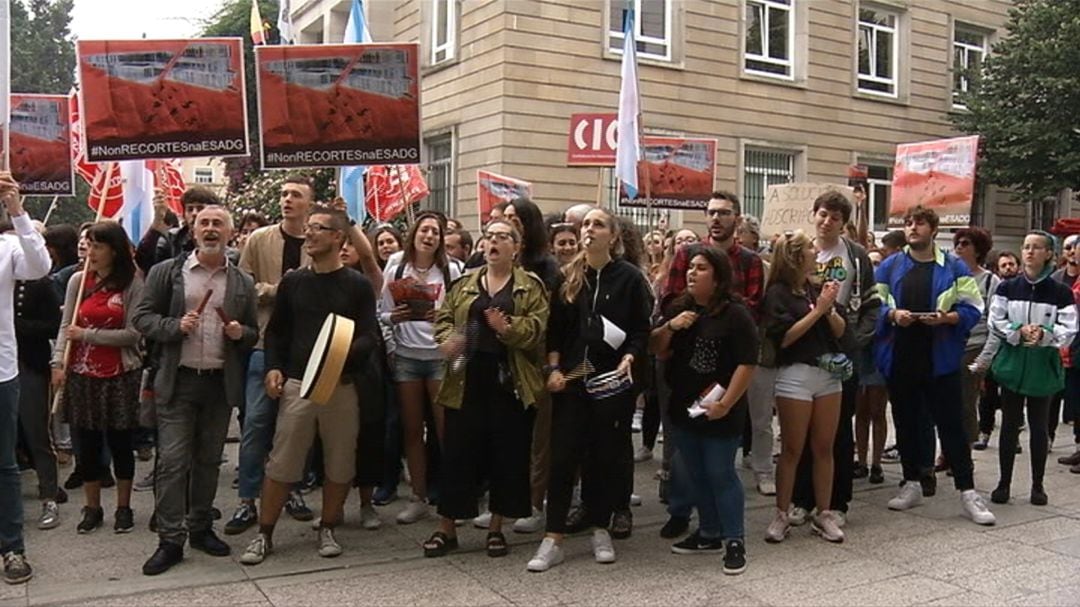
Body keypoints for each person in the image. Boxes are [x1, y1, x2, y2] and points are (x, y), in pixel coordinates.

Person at [240, 206, 379, 565]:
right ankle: (264, 534)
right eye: (308, 228)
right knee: (282, 463)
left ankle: (329, 527)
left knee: (340, 463)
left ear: (338, 238)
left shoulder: (358, 285)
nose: (309, 234)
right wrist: (273, 368)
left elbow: (369, 336)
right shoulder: (293, 282)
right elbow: (278, 332)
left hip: (342, 386)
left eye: (318, 228)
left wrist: (340, 351)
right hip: (298, 385)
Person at [135, 206, 259, 575]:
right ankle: (170, 540)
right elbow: (141, 317)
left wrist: (241, 334)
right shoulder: (166, 272)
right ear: (192, 228)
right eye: (203, 222)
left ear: (231, 232)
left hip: (220, 383)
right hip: (179, 380)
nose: (209, 229)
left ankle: (201, 526)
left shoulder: (242, 282)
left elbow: (252, 332)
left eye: (217, 223)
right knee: (173, 461)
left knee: (208, 460)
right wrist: (174, 326)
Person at [527, 207, 651, 572]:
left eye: (598, 225)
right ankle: (553, 538)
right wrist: (552, 368)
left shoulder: (629, 278)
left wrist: (630, 356)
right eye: (586, 225)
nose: (589, 230)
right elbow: (556, 333)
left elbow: (640, 331)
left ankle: (600, 527)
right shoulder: (568, 277)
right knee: (564, 457)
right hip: (571, 382)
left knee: (604, 456)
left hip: (611, 383)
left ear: (612, 236)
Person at [423, 219, 549, 558]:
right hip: (467, 378)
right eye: (489, 236)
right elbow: (444, 318)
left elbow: (538, 329)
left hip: (510, 380)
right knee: (459, 453)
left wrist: (507, 328)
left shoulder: (530, 286)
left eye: (502, 237)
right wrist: (449, 340)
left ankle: (496, 528)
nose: (493, 242)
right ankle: (447, 528)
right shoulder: (465, 282)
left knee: (507, 455)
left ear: (516, 247)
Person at [875, 205, 995, 526]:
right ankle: (911, 482)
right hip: (900, 358)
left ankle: (967, 491)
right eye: (909, 223)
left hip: (940, 359)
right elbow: (873, 305)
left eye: (920, 223)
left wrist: (947, 318)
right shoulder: (890, 266)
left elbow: (972, 307)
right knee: (906, 423)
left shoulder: (954, 266)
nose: (913, 228)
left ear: (933, 229)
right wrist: (891, 315)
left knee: (951, 425)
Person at [650, 245, 757, 575]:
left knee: (720, 472)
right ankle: (709, 531)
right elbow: (656, 348)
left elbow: (747, 362)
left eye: (701, 268)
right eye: (690, 268)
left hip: (720, 407)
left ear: (719, 276)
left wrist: (726, 404)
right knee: (695, 472)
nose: (692, 274)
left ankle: (733, 539)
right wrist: (671, 326)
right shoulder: (681, 308)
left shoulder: (735, 313)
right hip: (684, 406)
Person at [227, 176, 320, 534]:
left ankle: (293, 491)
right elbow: (243, 287)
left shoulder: (319, 241)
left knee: (298, 428)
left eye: (295, 195)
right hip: (264, 346)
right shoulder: (259, 239)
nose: (287, 200)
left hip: (307, 349)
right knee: (255, 425)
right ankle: (247, 499)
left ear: (309, 204)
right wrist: (280, 290)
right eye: (283, 194)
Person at [791, 191, 880, 528]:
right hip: (805, 351)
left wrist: (856, 340)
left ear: (844, 224)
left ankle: (838, 501)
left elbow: (872, 304)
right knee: (800, 429)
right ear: (813, 214)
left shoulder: (856, 257)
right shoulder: (801, 251)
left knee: (839, 431)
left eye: (835, 218)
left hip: (842, 351)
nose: (827, 222)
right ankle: (802, 499)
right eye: (823, 214)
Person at [51, 222, 144, 535]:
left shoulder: (132, 283)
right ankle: (92, 507)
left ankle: (123, 507)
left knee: (120, 443)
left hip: (120, 375)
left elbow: (133, 334)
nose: (90, 252)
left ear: (113, 250)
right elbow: (67, 326)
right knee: (86, 445)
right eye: (87, 245)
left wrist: (89, 334)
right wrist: (57, 362)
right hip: (81, 375)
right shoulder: (78, 281)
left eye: (97, 246)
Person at [761, 231, 847, 544]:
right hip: (795, 374)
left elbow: (839, 330)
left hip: (828, 374)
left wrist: (830, 308)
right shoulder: (778, 294)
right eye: (810, 247)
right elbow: (785, 338)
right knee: (792, 449)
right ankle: (782, 512)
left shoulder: (814, 288)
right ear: (797, 256)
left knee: (825, 446)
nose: (816, 251)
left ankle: (823, 512)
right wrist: (817, 310)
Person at [382, 211, 462, 524]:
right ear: (414, 232)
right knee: (412, 430)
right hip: (406, 357)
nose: (429, 236)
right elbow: (382, 313)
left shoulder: (452, 269)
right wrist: (394, 319)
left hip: (440, 356)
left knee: (446, 430)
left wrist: (443, 319)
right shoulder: (396, 264)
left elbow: (463, 316)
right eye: (425, 230)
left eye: (436, 232)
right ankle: (418, 497)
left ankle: (454, 497)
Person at [986, 231, 1076, 506]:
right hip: (1013, 364)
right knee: (1010, 425)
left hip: (1042, 366)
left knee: (1038, 425)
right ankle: (1004, 483)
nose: (1029, 252)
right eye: (1026, 247)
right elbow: (995, 319)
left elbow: (1069, 327)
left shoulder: (1059, 291)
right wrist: (1018, 331)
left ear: (1049, 253)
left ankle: (1038, 484)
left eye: (1036, 248)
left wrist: (1046, 335)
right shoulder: (1007, 287)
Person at [0, 172, 52, 584]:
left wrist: (17, 210)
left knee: (5, 466)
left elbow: (39, 267)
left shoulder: (8, 246)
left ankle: (12, 548)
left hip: (2, 373)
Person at [13, 223, 64, 530]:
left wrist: (18, 328)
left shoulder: (39, 283)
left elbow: (54, 325)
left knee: (37, 433)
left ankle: (49, 495)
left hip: (29, 364)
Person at [950, 228, 999, 455]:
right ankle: (947, 452)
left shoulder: (990, 281)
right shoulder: (950, 276)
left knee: (966, 402)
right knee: (946, 401)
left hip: (975, 346)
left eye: (965, 243)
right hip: (949, 345)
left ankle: (963, 454)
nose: (959, 247)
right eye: (957, 243)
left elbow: (995, 321)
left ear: (978, 249)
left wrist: (986, 358)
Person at [854, 248, 888, 484]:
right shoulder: (857, 291)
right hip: (858, 352)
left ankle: (877, 463)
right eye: (870, 263)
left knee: (878, 410)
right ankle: (862, 461)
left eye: (877, 262)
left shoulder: (885, 293)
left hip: (878, 354)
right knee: (860, 411)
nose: (874, 267)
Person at [135, 186, 221, 274]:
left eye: (200, 208)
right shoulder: (172, 240)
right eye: (190, 209)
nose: (194, 213)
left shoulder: (223, 240)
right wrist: (156, 223)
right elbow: (144, 262)